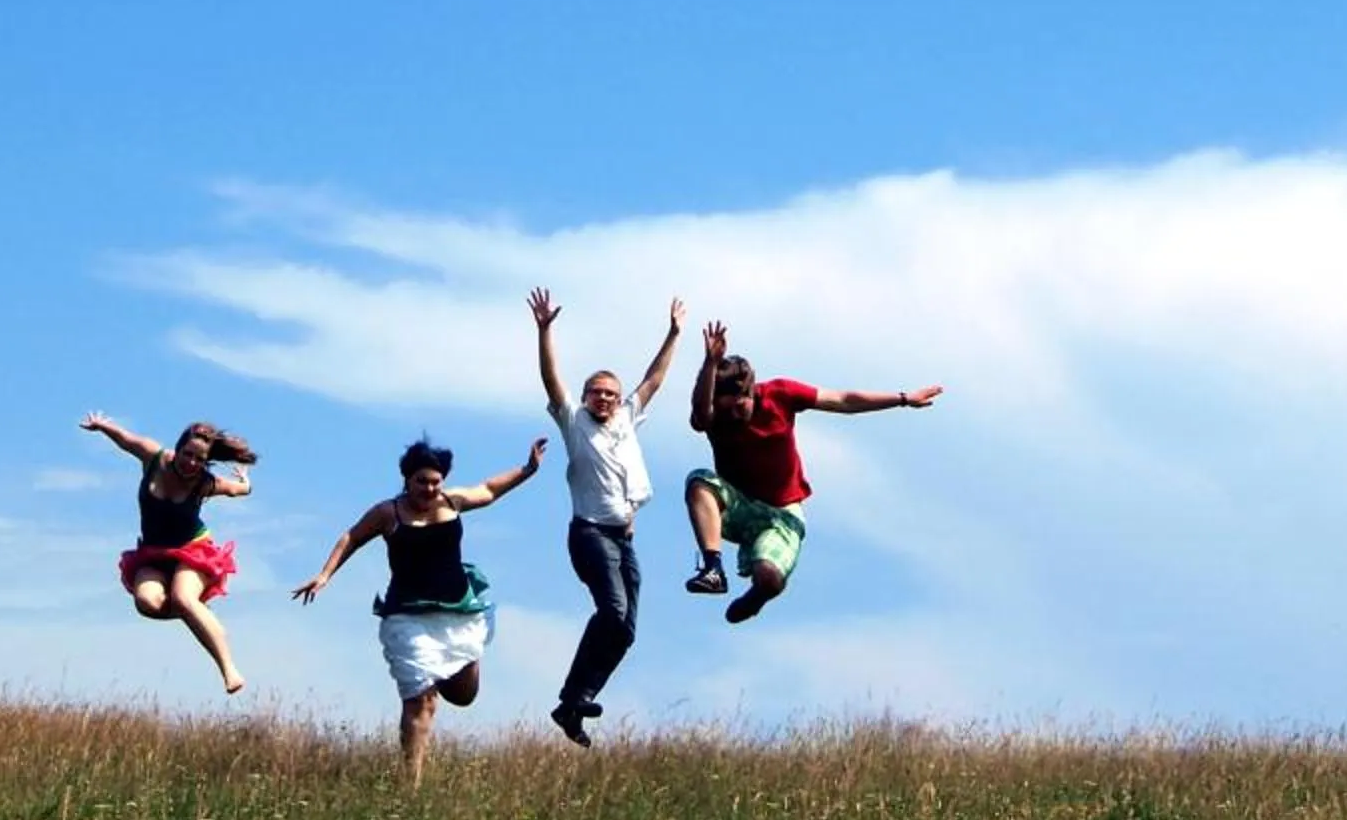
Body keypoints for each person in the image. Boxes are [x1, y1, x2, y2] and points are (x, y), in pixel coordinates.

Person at [292, 434, 548, 783]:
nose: (428, 489)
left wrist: (528, 469)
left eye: (435, 481)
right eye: (421, 481)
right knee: (419, 703)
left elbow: (488, 490)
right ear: (407, 480)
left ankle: (445, 669)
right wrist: (324, 575)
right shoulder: (388, 513)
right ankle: (409, 784)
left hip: (458, 614)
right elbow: (351, 537)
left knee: (463, 695)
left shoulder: (453, 501)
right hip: (408, 618)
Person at [683, 323, 943, 624]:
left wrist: (902, 398)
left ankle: (758, 595)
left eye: (738, 407)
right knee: (699, 481)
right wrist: (710, 364)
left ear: (749, 393)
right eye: (724, 408)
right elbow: (701, 416)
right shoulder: (715, 414)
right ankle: (713, 569)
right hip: (739, 504)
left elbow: (843, 400)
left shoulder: (780, 394)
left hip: (782, 515)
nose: (733, 416)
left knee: (768, 578)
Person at [528, 287, 685, 748]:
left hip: (624, 539)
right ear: (584, 397)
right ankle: (572, 695)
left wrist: (673, 334)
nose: (605, 399)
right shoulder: (574, 421)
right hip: (589, 534)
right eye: (597, 392)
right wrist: (545, 331)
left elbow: (653, 381)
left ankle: (574, 704)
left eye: (611, 394)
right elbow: (550, 379)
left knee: (627, 630)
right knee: (612, 612)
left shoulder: (625, 419)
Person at [80, 410, 255, 695]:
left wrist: (246, 484)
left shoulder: (203, 483)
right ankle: (198, 613)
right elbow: (126, 440)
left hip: (193, 550)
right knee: (146, 603)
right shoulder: (154, 457)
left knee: (183, 598)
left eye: (200, 459)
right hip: (154, 552)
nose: (192, 463)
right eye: (188, 454)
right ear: (179, 447)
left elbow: (237, 490)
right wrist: (102, 426)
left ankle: (228, 669)